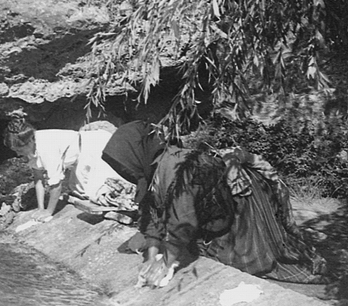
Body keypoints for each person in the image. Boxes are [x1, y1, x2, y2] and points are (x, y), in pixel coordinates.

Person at [101, 120, 326, 288]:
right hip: (213, 210)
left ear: (136, 152)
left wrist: (166, 263)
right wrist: (151, 257)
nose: (125, 171)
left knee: (252, 261)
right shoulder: (154, 173)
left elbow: (183, 222)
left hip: (242, 208)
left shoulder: (182, 168)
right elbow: (153, 217)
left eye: (124, 163)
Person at [3, 111, 134, 222]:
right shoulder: (33, 148)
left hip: (97, 146)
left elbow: (56, 184)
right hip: (81, 156)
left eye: (19, 149)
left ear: (30, 141)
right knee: (77, 191)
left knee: (97, 193)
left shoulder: (46, 148)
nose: (17, 153)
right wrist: (40, 208)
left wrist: (48, 212)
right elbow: (38, 178)